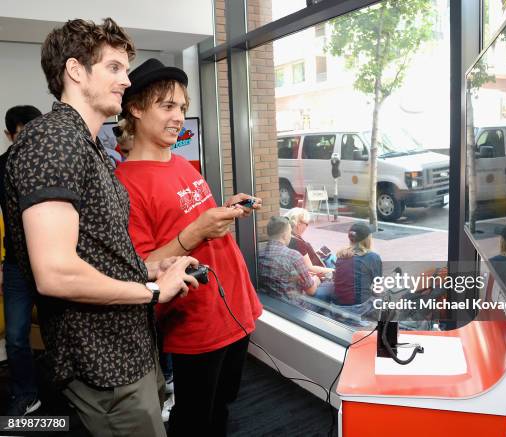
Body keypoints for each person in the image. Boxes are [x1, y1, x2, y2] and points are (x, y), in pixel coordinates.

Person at [4, 19, 198, 437]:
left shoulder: (88, 146)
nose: (126, 80)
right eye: (113, 68)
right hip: (103, 362)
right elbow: (55, 273)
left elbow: (92, 250)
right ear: (76, 71)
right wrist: (152, 292)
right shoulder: (53, 141)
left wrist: (147, 269)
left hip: (129, 348)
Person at [114, 58, 263, 437]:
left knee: (224, 405)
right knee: (195, 418)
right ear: (135, 108)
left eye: (182, 107)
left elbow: (195, 220)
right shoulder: (123, 184)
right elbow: (141, 266)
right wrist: (198, 229)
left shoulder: (182, 164)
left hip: (236, 304)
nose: (178, 116)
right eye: (167, 106)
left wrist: (224, 212)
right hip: (196, 320)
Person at [0, 105, 42, 416]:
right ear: (9, 135)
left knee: (64, 333)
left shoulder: (53, 162)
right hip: (16, 265)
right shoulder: (1, 166)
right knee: (15, 336)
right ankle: (27, 394)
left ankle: (75, 394)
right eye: (21, 134)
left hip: (55, 263)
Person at [258, 216, 326, 303]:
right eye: (290, 232)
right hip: (293, 308)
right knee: (329, 291)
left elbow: (277, 277)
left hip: (270, 304)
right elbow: (311, 290)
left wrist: (297, 278)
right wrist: (316, 279)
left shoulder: (259, 254)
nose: (291, 236)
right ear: (284, 235)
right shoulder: (293, 256)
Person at [333, 223, 382, 315]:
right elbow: (377, 288)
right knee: (384, 297)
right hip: (357, 308)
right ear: (367, 239)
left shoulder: (341, 254)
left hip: (336, 306)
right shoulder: (373, 257)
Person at [284, 207, 335, 275]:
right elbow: (310, 268)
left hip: (317, 262)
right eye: (306, 224)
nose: (307, 227)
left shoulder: (288, 236)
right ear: (299, 224)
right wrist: (334, 270)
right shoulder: (297, 242)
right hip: (318, 271)